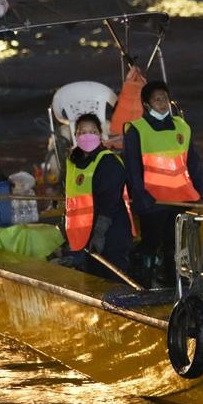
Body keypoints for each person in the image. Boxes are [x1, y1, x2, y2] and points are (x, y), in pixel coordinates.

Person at [122, 80, 203, 287]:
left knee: (173, 246)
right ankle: (144, 285)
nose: (162, 103)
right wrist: (142, 197)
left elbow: (193, 161)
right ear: (147, 104)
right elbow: (132, 169)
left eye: (165, 98)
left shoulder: (182, 127)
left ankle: (172, 284)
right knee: (150, 244)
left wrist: (199, 189)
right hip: (152, 202)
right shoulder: (137, 130)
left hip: (179, 199)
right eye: (157, 99)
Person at [64, 113, 134, 281]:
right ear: (76, 136)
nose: (87, 136)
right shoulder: (73, 162)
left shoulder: (109, 162)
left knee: (113, 281)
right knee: (93, 282)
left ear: (100, 135)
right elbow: (71, 200)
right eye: (82, 132)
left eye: (93, 132)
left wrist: (99, 234)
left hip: (109, 233)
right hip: (83, 237)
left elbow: (109, 202)